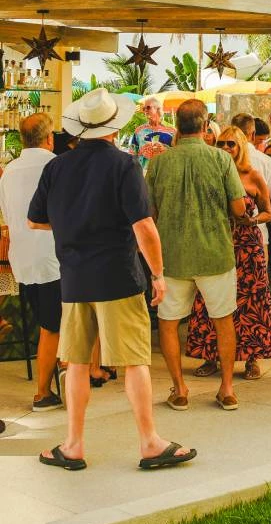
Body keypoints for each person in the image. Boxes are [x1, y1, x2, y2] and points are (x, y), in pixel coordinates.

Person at [29, 88, 195, 470]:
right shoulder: (124, 165)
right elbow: (145, 227)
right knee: (134, 360)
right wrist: (157, 274)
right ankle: (150, 443)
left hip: (72, 277)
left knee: (75, 363)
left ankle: (72, 445)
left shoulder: (56, 167)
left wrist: (74, 223)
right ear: (113, 126)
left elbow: (35, 219)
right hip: (118, 275)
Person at [146, 99, 247, 412]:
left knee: (169, 323)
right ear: (205, 127)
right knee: (223, 321)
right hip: (215, 253)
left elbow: (150, 211)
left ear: (177, 126)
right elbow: (239, 207)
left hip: (173, 255)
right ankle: (227, 388)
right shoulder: (220, 159)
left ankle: (179, 388)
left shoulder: (160, 163)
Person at [185, 126, 271, 380]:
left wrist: (253, 221)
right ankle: (210, 355)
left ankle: (252, 359)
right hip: (218, 243)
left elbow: (269, 212)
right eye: (222, 143)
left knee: (251, 302)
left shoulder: (253, 176)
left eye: (231, 144)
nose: (225, 148)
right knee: (210, 301)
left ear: (241, 147)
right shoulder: (212, 173)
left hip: (247, 245)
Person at [0, 113, 63, 411]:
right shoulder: (55, 165)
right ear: (49, 137)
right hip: (51, 257)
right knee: (52, 325)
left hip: (22, 260)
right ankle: (42, 393)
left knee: (46, 318)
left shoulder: (9, 171)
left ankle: (64, 366)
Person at [231, 113, 271, 248]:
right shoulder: (265, 161)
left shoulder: (221, 160)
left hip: (228, 239)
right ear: (253, 135)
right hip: (256, 237)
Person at [131, 97, 175, 170]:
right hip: (144, 172)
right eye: (144, 108)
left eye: (148, 108)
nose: (145, 111)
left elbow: (178, 153)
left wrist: (165, 150)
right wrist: (142, 151)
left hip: (165, 171)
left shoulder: (172, 130)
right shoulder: (139, 131)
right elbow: (132, 154)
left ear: (158, 108)